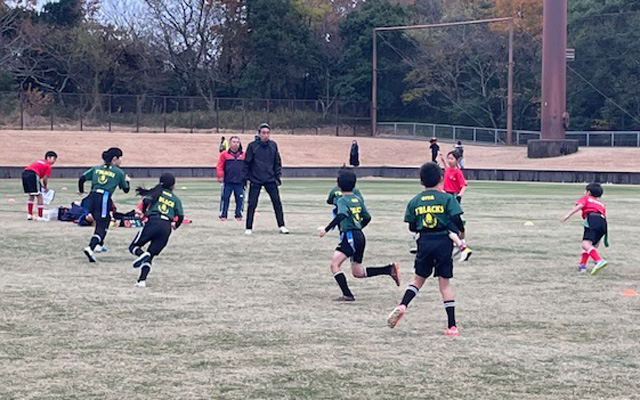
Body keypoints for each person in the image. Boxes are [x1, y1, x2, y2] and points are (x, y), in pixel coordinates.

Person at [387, 162, 464, 336]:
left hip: (425, 242)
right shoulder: (447, 199)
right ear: (441, 179)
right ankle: (452, 326)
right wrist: (459, 233)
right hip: (443, 242)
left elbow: (412, 226)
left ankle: (403, 305)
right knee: (444, 284)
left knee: (418, 279)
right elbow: (457, 219)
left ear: (421, 181)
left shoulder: (415, 201)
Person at [318, 169, 400, 301]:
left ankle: (347, 295)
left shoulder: (342, 200)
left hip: (350, 237)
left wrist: (326, 229)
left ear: (338, 185)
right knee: (358, 272)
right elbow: (367, 217)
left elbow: (342, 214)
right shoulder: (357, 199)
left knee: (334, 265)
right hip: (359, 236)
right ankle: (388, 269)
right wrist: (358, 227)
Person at [129, 173, 184, 287]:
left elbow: (145, 201)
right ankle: (141, 280)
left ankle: (142, 254)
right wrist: (176, 225)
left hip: (153, 221)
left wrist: (144, 213)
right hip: (166, 227)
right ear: (173, 185)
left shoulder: (156, 192)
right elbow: (181, 216)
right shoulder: (175, 199)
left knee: (134, 247)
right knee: (151, 255)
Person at [78, 147, 130, 263]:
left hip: (92, 196)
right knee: (102, 225)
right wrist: (127, 181)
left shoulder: (97, 168)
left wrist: (81, 191)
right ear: (114, 158)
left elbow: (82, 178)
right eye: (120, 158)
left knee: (104, 220)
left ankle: (99, 244)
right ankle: (90, 247)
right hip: (104, 198)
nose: (121, 161)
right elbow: (126, 190)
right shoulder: (118, 172)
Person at [243, 123, 289, 235]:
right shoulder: (252, 146)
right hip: (256, 179)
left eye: (268, 133)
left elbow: (277, 162)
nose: (266, 135)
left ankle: (282, 226)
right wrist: (246, 178)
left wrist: (277, 176)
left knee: (277, 203)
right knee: (252, 204)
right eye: (263, 133)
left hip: (270, 179)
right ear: (259, 134)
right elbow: (247, 163)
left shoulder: (273, 145)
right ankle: (248, 227)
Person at [561, 182, 608, 275]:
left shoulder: (585, 197)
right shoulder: (601, 204)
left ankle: (598, 260)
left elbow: (580, 206)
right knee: (591, 246)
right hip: (603, 223)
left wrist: (568, 215)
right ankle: (582, 266)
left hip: (592, 219)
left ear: (588, 192)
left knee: (585, 244)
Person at [22, 151, 57, 221]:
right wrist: (45, 187)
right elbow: (45, 178)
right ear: (48, 158)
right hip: (33, 174)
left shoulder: (39, 161)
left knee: (31, 195)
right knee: (39, 195)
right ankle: (40, 216)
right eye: (54, 159)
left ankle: (29, 214)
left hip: (25, 173)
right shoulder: (47, 165)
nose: (54, 161)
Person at [216, 136, 245, 221]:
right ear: (230, 143)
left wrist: (248, 177)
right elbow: (219, 165)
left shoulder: (244, 155)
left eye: (237, 142)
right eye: (234, 142)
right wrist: (220, 176)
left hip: (240, 182)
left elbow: (248, 167)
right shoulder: (224, 154)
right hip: (227, 181)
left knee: (240, 199)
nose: (236, 144)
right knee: (225, 198)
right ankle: (223, 214)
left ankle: (238, 214)